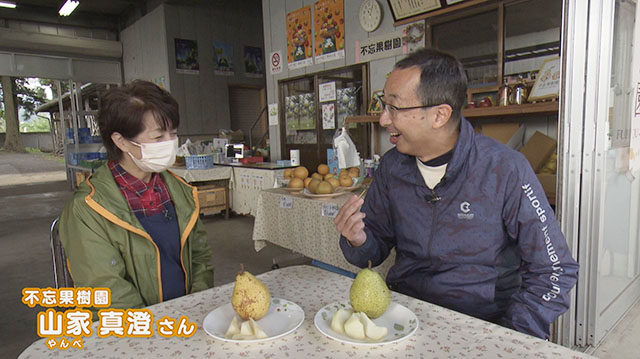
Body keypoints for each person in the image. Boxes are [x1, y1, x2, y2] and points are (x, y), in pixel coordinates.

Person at [334, 48, 579, 339]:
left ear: (439, 115)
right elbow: (372, 249)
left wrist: (511, 334)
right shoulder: (391, 167)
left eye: (394, 108)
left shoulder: (505, 169)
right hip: (406, 317)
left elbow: (555, 270)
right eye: (382, 106)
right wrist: (358, 239)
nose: (383, 120)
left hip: (484, 323)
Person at [59, 80, 213, 314]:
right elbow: (105, 288)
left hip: (188, 318)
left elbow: (201, 258)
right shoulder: (87, 209)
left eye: (173, 134)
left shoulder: (181, 191)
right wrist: (155, 329)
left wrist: (196, 307)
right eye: (158, 137)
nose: (170, 144)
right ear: (120, 141)